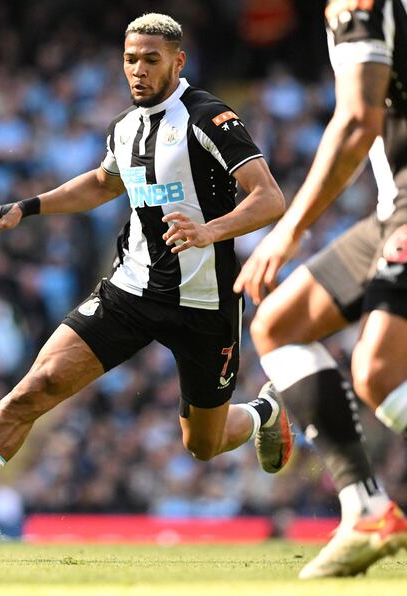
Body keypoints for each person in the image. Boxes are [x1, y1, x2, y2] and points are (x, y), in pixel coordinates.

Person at [0, 13, 288, 558]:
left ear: (178, 61)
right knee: (34, 389)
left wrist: (209, 230)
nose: (138, 69)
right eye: (131, 58)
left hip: (207, 303)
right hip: (131, 291)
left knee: (202, 445)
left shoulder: (210, 117)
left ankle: (265, 413)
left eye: (151, 59)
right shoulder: (124, 127)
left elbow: (270, 197)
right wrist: (27, 208)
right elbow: (103, 183)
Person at [233, 0, 407, 579]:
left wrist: (286, 234)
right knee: (279, 326)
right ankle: (366, 510)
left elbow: (359, 121)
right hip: (390, 212)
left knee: (377, 373)